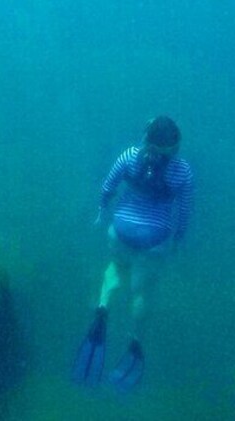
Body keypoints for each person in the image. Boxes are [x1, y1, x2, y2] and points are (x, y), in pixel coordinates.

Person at [72, 116, 194, 391]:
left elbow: (107, 188)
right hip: (154, 240)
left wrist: (102, 213)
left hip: (122, 231)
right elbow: (184, 212)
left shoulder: (129, 156)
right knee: (142, 290)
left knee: (115, 269)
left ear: (146, 137)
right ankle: (135, 340)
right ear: (175, 147)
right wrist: (178, 240)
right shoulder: (182, 171)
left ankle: (103, 309)